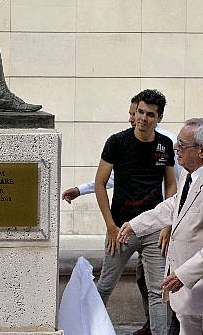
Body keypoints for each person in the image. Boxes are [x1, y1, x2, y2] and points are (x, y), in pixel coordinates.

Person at [61, 91, 181, 335]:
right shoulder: (116, 142)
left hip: (154, 229)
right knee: (105, 284)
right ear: (134, 112)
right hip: (121, 228)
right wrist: (110, 226)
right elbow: (100, 183)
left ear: (159, 117)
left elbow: (171, 184)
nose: (143, 118)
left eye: (150, 114)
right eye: (140, 112)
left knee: (158, 291)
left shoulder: (165, 145)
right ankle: (89, 330)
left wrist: (168, 224)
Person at [118, 118, 203, 335]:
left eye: (182, 144)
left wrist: (183, 274)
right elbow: (174, 206)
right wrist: (135, 225)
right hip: (188, 293)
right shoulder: (189, 174)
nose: (175, 147)